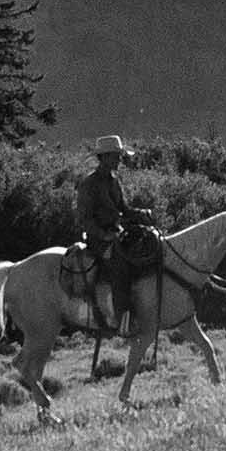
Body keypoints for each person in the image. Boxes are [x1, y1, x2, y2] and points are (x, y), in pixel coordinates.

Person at [76, 135, 152, 332]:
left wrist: (141, 214)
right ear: (105, 157)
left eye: (119, 156)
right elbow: (84, 220)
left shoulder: (114, 181)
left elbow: (123, 209)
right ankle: (122, 320)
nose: (119, 160)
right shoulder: (88, 184)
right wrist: (104, 235)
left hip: (116, 234)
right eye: (116, 156)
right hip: (98, 240)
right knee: (120, 265)